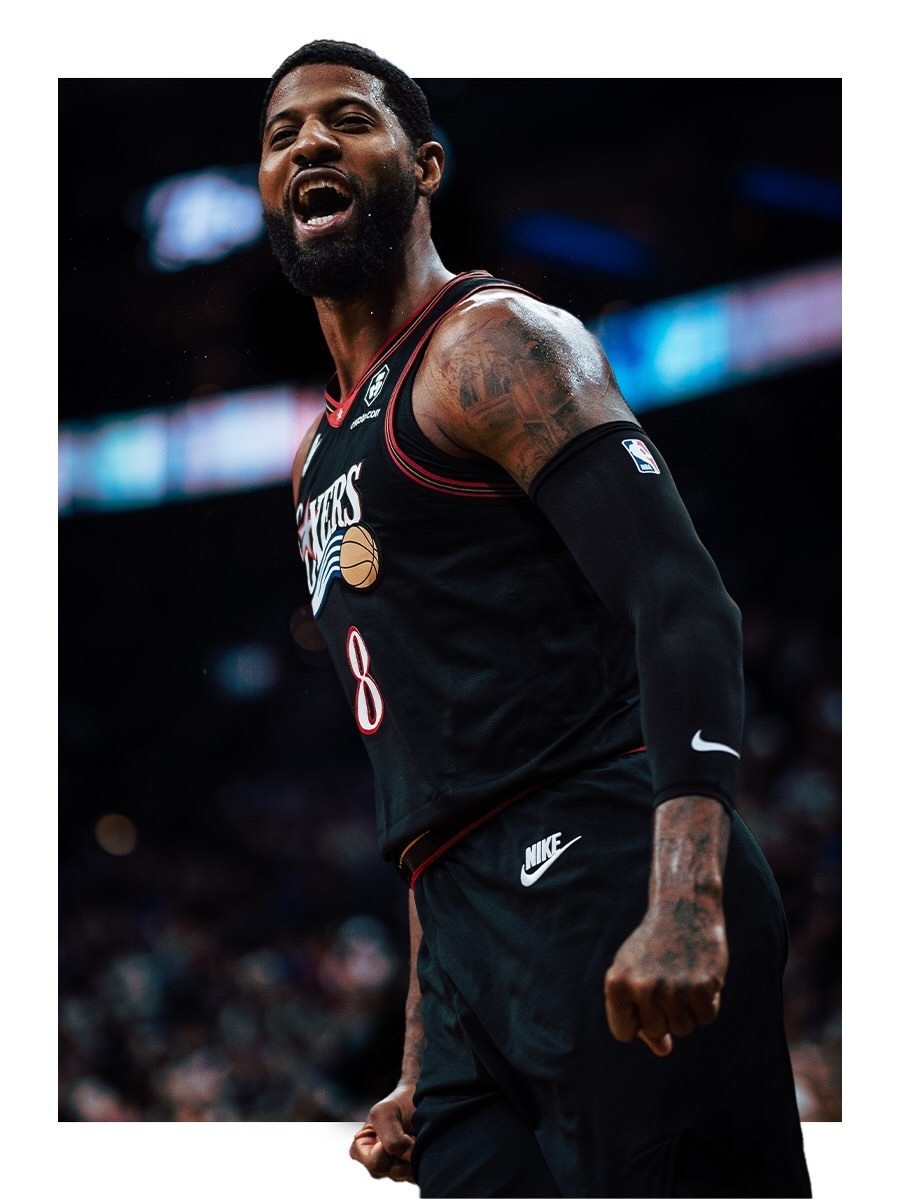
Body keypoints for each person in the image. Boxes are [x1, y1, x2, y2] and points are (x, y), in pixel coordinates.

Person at [258, 41, 812, 1198]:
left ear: (425, 166)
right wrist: (425, 1046)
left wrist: (685, 900)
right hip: (467, 943)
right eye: (282, 134)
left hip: (603, 869)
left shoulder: (495, 345)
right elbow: (431, 773)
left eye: (347, 120)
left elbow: (682, 601)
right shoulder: (315, 461)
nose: (309, 142)